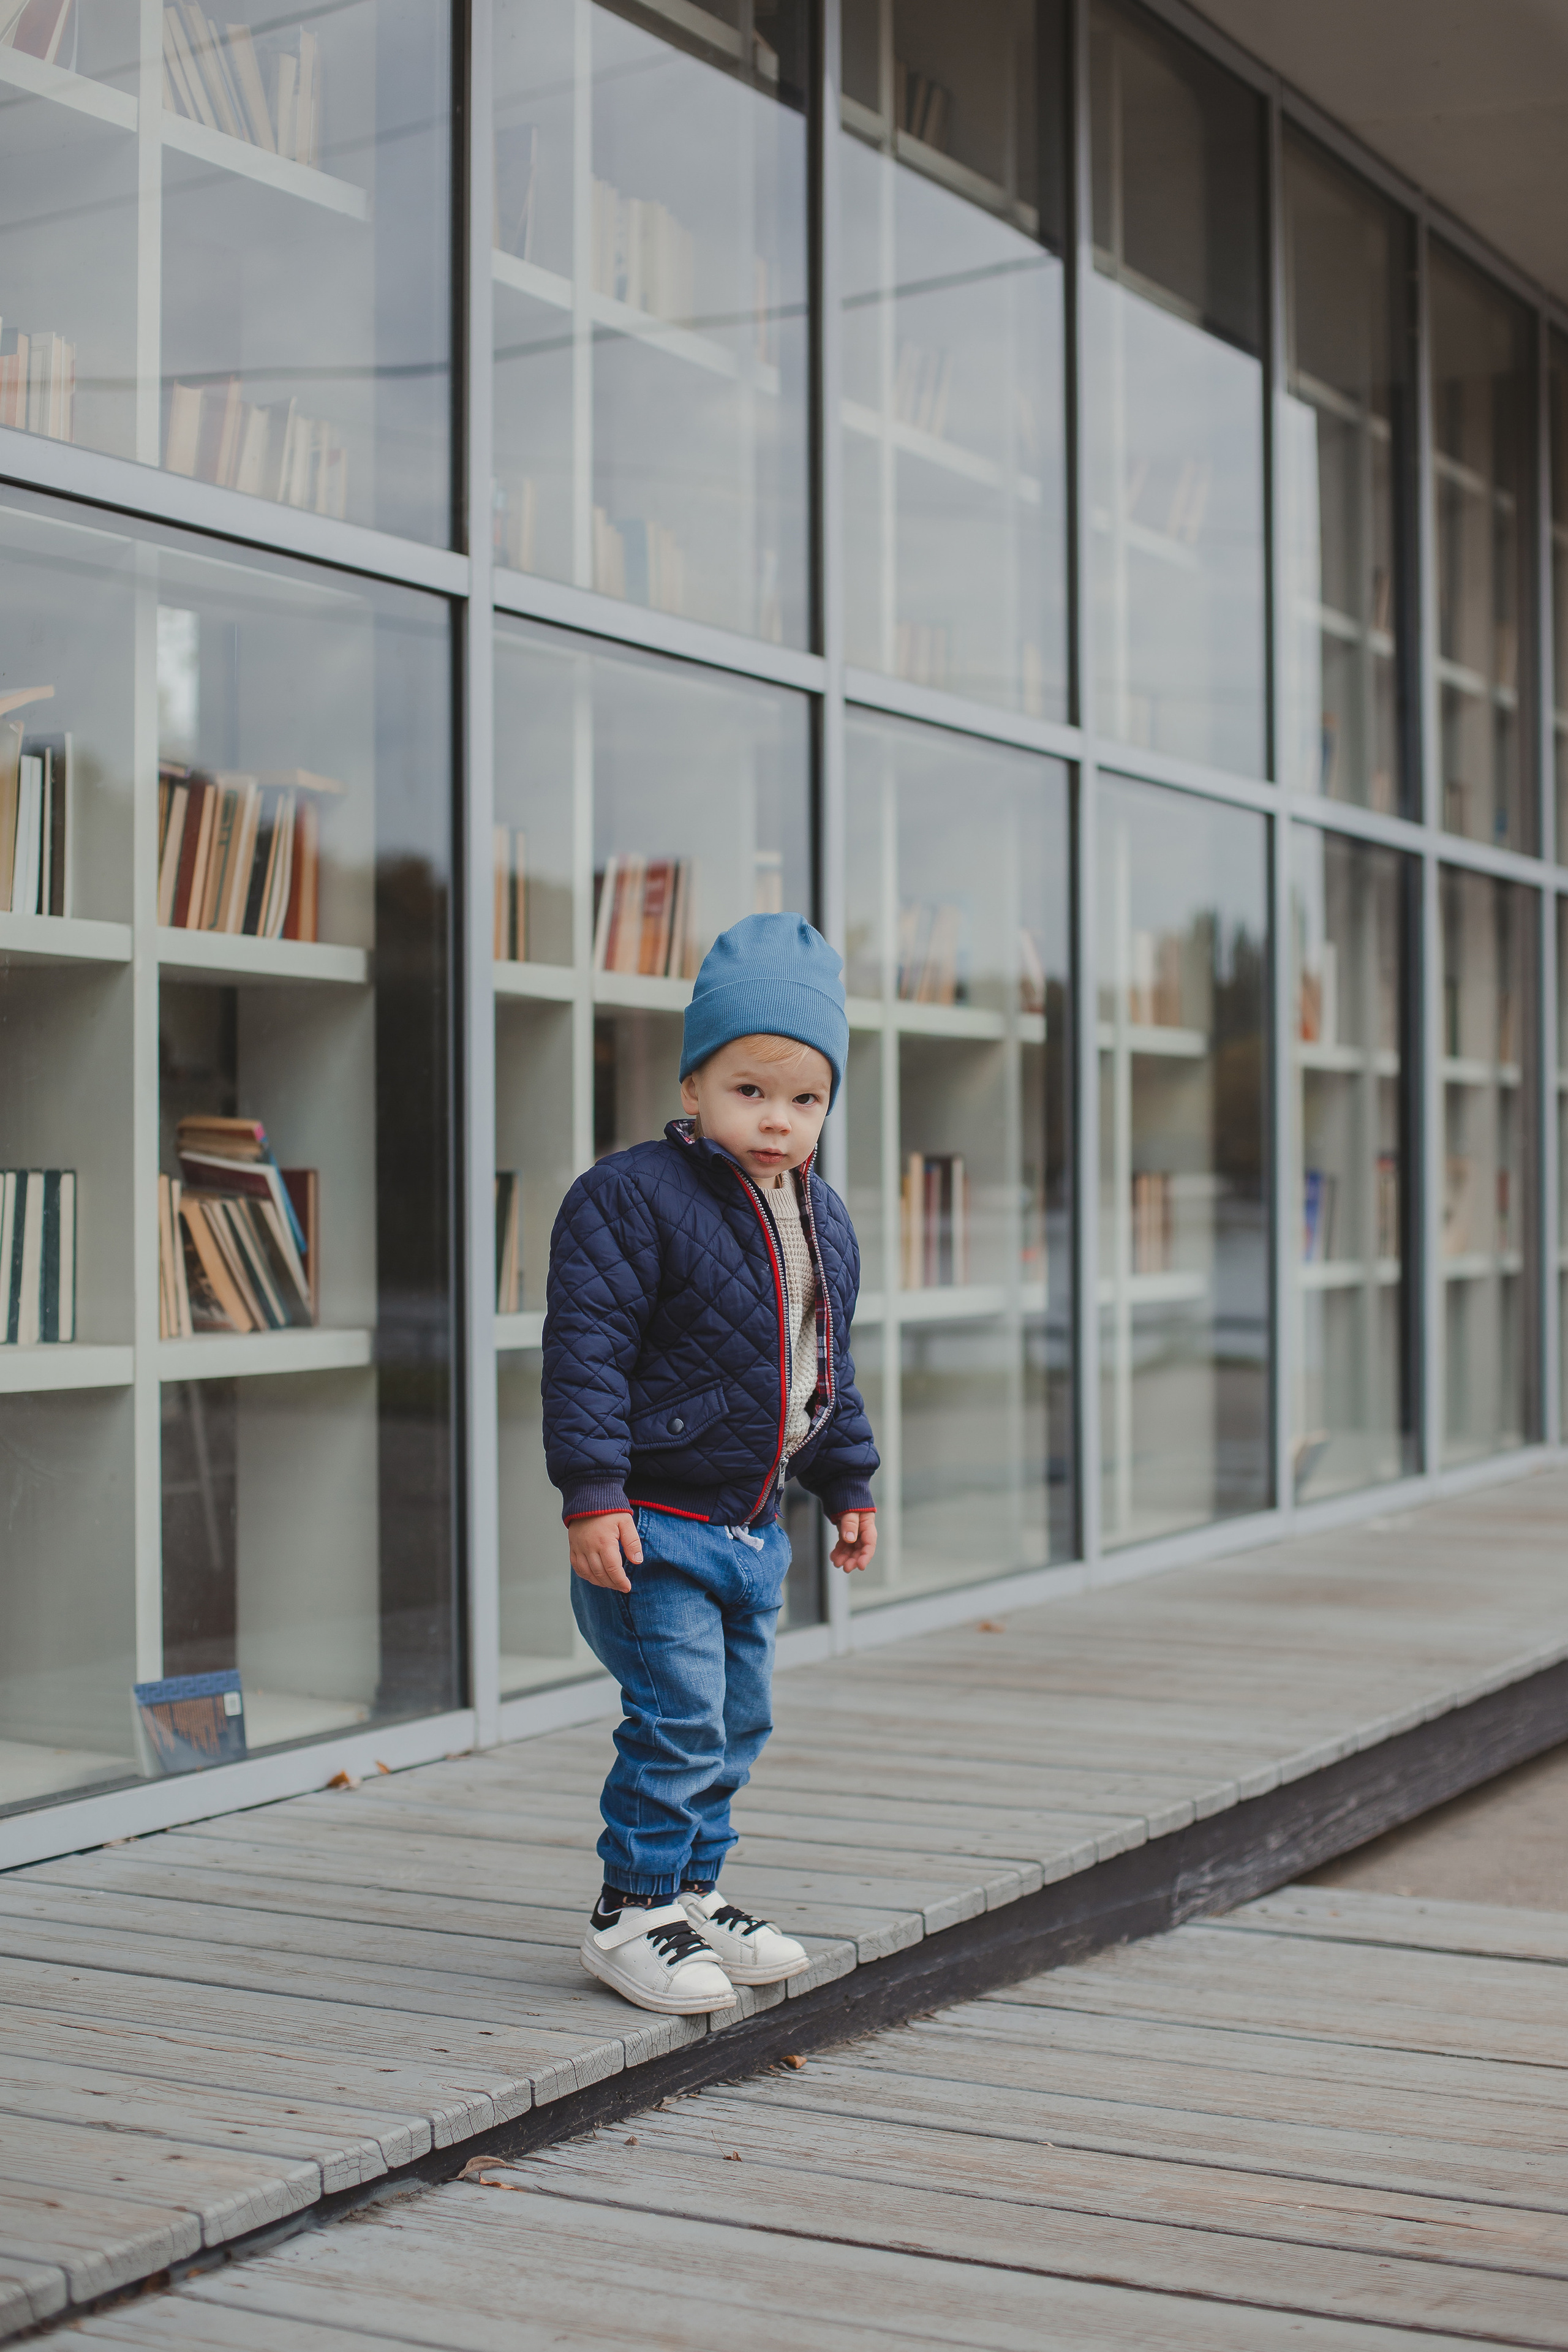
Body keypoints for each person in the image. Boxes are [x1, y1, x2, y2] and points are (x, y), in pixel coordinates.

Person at [542, 911, 880, 2015]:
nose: (779, 1119)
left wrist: (849, 1480)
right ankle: (629, 1910)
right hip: (651, 1523)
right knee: (678, 1718)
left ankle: (692, 1892)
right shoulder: (629, 1197)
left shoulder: (822, 1220)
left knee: (735, 1725)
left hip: (751, 1529)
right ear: (693, 1085)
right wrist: (593, 1494)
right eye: (750, 1090)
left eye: (807, 1099)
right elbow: (587, 1354)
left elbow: (821, 1367)